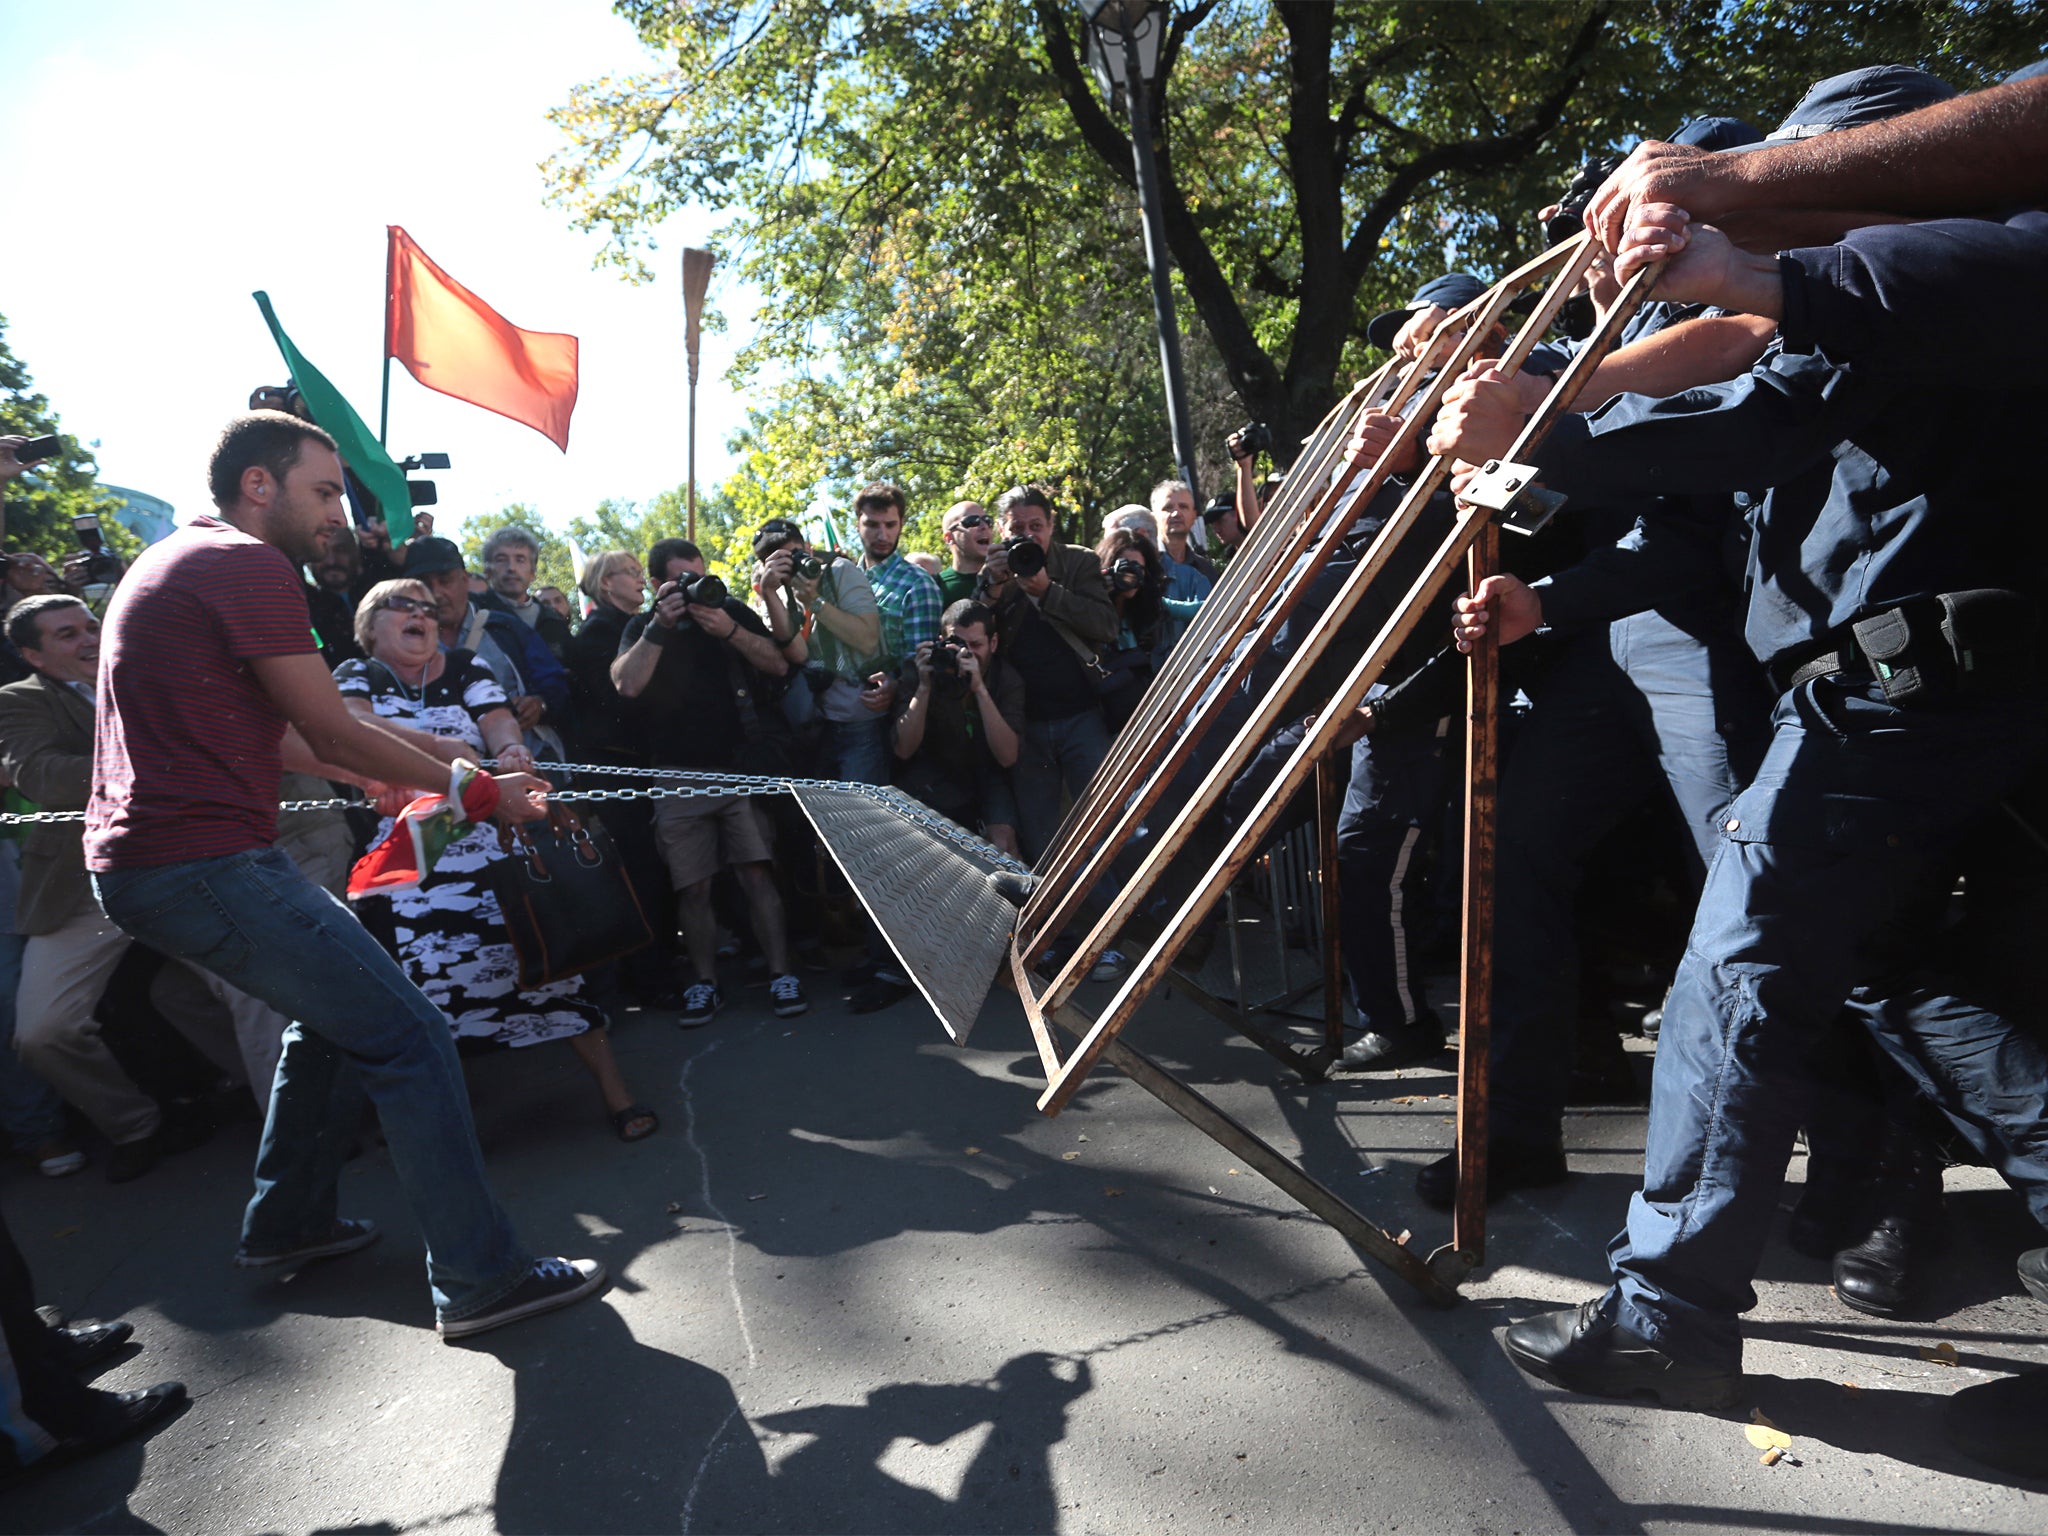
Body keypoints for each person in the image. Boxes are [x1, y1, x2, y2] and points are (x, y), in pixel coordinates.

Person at [1437, 114, 2048, 1412]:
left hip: (1901, 688)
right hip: (1895, 688)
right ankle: (1705, 1288)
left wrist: (1558, 398)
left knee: (1744, 966)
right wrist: (1548, 400)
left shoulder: (1921, 273)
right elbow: (1729, 409)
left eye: (1815, 169)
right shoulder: (1865, 300)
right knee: (1883, 978)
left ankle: (1675, 1309)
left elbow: (1741, 428)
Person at [86, 411, 605, 1341]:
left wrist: (434, 750)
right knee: (410, 1036)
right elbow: (330, 731)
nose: (337, 513)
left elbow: (288, 735)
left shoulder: (182, 561)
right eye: (324, 490)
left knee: (333, 1026)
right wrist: (478, 790)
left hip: (158, 867)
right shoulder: (246, 566)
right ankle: (483, 1279)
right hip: (202, 860)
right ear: (258, 484)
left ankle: (289, 1224)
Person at [338, 577, 657, 1141]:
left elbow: (496, 718)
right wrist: (410, 768)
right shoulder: (355, 675)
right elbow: (351, 729)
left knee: (550, 964)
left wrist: (509, 749)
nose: (421, 614)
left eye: (429, 609)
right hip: (411, 855)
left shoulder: (463, 666)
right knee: (429, 990)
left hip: (490, 837)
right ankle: (445, 1130)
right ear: (369, 623)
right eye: (403, 605)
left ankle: (618, 1095)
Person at [0, 595, 226, 1182]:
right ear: (33, 655)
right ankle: (133, 1126)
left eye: (91, 625)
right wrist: (145, 755)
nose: (88, 638)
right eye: (67, 634)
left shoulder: (145, 672)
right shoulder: (18, 700)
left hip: (181, 864)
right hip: (79, 888)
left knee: (244, 993)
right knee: (43, 1031)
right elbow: (41, 776)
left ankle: (295, 1108)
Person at [613, 547, 809, 1027]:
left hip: (738, 766)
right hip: (676, 772)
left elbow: (779, 665)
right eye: (680, 583)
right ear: (658, 585)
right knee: (693, 886)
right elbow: (627, 684)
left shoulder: (728, 610)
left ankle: (782, 973)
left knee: (757, 874)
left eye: (700, 578)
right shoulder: (644, 625)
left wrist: (731, 630)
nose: (694, 590)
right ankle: (704, 982)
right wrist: (662, 624)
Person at [978, 486, 1118, 861]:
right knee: (1043, 834)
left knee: (1104, 822)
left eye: (1036, 525)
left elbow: (1106, 626)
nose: (1027, 535)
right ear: (1002, 530)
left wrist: (1047, 592)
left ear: (1052, 525)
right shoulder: (995, 571)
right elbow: (978, 642)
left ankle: (1121, 909)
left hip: (1083, 714)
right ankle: (1061, 917)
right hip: (1026, 725)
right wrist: (991, 590)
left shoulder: (1079, 562)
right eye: (1017, 527)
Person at [406, 535, 571, 765]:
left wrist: (540, 703)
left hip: (528, 761)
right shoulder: (402, 638)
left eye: (445, 581)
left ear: (464, 580)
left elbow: (555, 680)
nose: (437, 593)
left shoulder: (504, 627)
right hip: (442, 773)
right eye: (424, 584)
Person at [754, 519, 892, 784]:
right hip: (815, 724)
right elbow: (797, 654)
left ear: (809, 548)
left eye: (795, 554)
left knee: (864, 818)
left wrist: (814, 601)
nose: (791, 565)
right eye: (779, 560)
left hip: (859, 719)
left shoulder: (840, 571)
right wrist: (770, 593)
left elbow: (867, 640)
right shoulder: (778, 589)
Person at [890, 599, 1023, 858]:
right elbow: (903, 749)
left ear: (993, 643)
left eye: (976, 645)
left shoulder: (1007, 679)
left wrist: (979, 690)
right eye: (959, 644)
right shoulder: (921, 670)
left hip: (987, 775)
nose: (967, 653)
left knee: (1003, 847)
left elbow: (1008, 757)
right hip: (933, 776)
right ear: (942, 640)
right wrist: (924, 688)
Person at [853, 482, 943, 669]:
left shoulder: (919, 585)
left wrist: (894, 686)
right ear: (857, 525)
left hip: (896, 696)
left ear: (901, 524)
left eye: (890, 525)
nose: (882, 535)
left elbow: (921, 665)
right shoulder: (846, 579)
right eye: (872, 525)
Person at [478, 525, 572, 660]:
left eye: (520, 560)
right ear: (487, 570)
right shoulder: (471, 611)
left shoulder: (554, 622)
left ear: (533, 572)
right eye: (501, 559)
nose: (511, 568)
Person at [1147, 479, 1214, 658]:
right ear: (1154, 517)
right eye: (1168, 507)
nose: (1176, 513)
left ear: (1194, 516)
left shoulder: (1205, 569)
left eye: (1183, 507)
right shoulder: (1145, 566)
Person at [304, 523, 363, 668]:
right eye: (322, 550)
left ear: (355, 553)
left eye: (340, 550)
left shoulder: (379, 592)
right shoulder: (303, 606)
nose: (331, 561)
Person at [936, 501, 991, 606]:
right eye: (972, 521)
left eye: (988, 521)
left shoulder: (1009, 577)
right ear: (949, 538)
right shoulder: (936, 587)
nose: (984, 526)